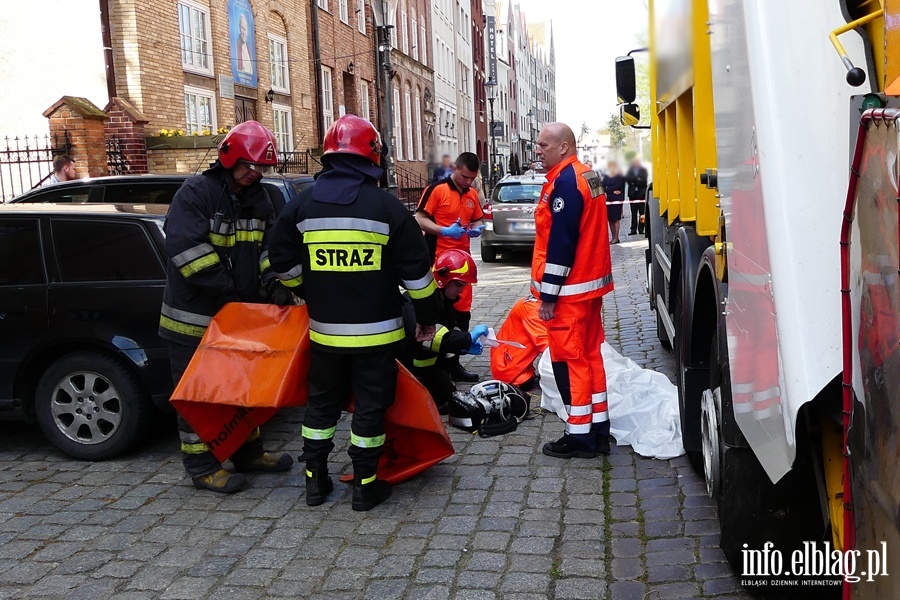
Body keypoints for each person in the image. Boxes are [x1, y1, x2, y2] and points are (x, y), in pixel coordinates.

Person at [267, 114, 440, 511]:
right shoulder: (387, 207)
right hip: (377, 337)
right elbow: (417, 275)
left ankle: (315, 482)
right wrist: (428, 318)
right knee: (370, 409)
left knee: (321, 407)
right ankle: (364, 486)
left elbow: (280, 259)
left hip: (325, 335)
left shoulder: (302, 205)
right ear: (372, 155)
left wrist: (305, 289)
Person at [159, 120, 294, 493]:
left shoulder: (261, 198)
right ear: (229, 158)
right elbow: (188, 251)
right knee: (198, 396)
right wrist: (229, 293)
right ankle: (202, 466)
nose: (255, 174)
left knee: (239, 390)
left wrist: (275, 286)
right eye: (249, 166)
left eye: (261, 168)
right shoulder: (196, 193)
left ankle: (248, 453)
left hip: (238, 318)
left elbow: (268, 250)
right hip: (195, 320)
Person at [532, 122, 614, 459]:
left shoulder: (565, 183)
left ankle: (579, 436)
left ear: (564, 147)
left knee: (573, 361)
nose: (538, 150)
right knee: (591, 356)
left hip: (569, 293)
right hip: (589, 287)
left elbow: (561, 244)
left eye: (544, 145)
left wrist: (548, 296)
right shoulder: (586, 176)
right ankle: (598, 429)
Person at [415, 152, 485, 383]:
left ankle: (454, 365)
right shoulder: (437, 190)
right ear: (454, 168)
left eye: (471, 178)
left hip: (462, 265)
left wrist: (477, 227)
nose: (467, 182)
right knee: (441, 315)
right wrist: (444, 231)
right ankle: (438, 367)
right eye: (464, 176)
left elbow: (477, 218)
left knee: (462, 314)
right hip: (439, 264)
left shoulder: (472, 194)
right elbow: (419, 218)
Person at [401, 249, 489, 413]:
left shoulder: (442, 300)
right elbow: (430, 338)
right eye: (458, 285)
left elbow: (449, 328)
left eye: (464, 286)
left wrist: (462, 345)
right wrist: (467, 338)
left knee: (448, 393)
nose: (461, 291)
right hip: (405, 367)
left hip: (425, 364)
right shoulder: (417, 301)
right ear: (443, 279)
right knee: (443, 398)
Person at [489, 296, 548, 391]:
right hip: (510, 370)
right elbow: (547, 346)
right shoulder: (533, 311)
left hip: (506, 360)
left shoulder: (535, 303)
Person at [602, 161, 625, 244]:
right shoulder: (607, 176)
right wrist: (611, 190)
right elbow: (602, 186)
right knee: (610, 219)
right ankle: (612, 237)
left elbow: (618, 186)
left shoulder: (620, 176)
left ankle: (616, 237)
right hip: (608, 200)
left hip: (617, 199)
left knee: (616, 219)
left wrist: (608, 189)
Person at [624, 157, 648, 235]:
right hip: (633, 195)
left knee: (642, 213)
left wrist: (634, 181)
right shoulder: (630, 170)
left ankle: (641, 228)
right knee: (633, 213)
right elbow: (628, 180)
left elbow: (644, 182)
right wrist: (637, 179)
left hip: (641, 194)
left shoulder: (643, 170)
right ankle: (633, 229)